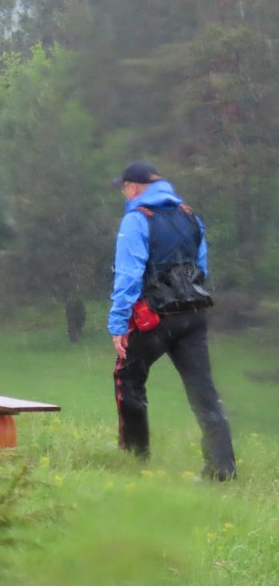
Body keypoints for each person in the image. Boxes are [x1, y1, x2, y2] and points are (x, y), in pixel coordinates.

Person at [108, 161, 236, 481]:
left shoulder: (137, 220)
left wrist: (118, 324)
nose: (124, 193)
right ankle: (222, 470)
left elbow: (128, 275)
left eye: (124, 187)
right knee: (203, 391)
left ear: (134, 187)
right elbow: (201, 266)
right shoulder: (190, 215)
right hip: (193, 314)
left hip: (153, 318)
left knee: (128, 379)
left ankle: (135, 460)